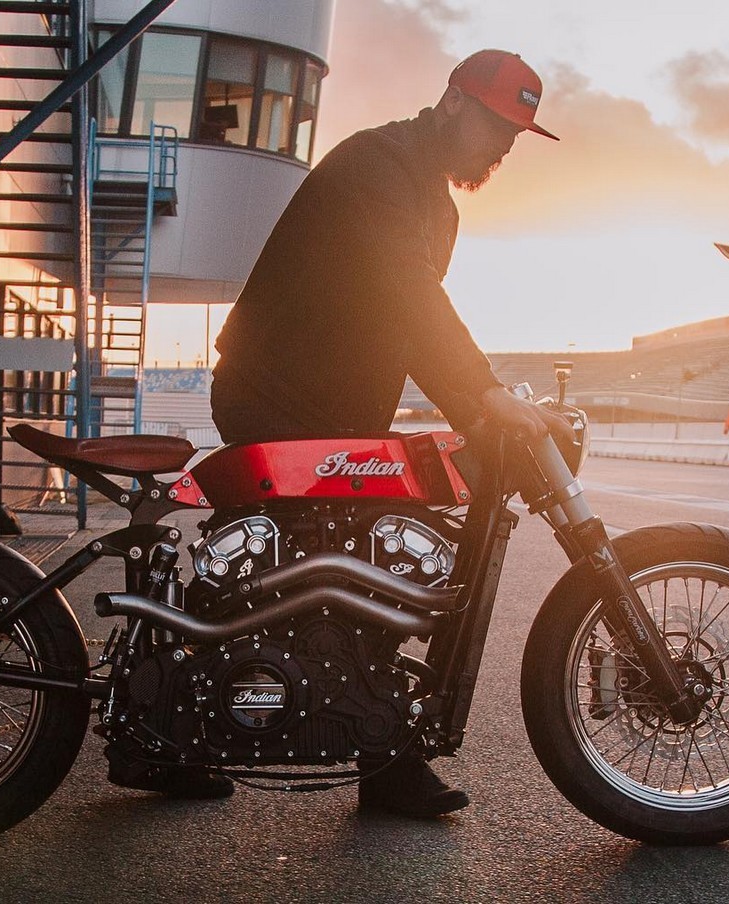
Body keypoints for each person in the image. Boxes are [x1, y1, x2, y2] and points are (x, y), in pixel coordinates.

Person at [110, 50, 568, 817]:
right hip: (275, 397)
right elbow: (408, 294)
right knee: (328, 569)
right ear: (454, 102)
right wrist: (484, 393)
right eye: (499, 125)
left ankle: (371, 750)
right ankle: (171, 732)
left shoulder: (434, 202)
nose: (506, 146)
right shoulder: (377, 166)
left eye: (518, 134)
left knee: (381, 555)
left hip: (340, 411)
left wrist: (476, 411)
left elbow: (407, 326)